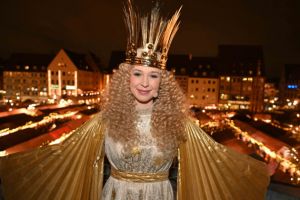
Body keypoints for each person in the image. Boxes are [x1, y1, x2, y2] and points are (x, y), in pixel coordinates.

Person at [0, 0, 271, 199]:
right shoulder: (103, 121)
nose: (144, 82)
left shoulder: (179, 123)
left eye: (153, 76)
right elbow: (61, 154)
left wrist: (261, 172)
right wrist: (11, 164)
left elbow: (216, 158)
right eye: (138, 73)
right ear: (125, 78)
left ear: (161, 82)